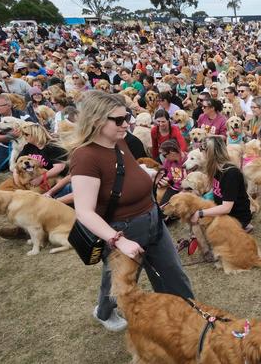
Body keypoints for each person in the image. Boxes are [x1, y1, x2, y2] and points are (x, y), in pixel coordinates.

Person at [66, 91, 194, 332]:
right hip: (120, 230)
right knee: (120, 282)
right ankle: (104, 312)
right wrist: (119, 241)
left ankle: (187, 317)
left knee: (173, 273)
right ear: (96, 121)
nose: (126, 123)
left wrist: (147, 177)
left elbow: (127, 169)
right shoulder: (84, 157)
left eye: (127, 117)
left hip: (153, 219)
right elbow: (84, 211)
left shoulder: (120, 139)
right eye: (118, 120)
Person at [190, 136, 252, 230]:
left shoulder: (231, 173)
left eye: (201, 149)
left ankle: (244, 228)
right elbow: (215, 191)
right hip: (222, 211)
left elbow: (226, 208)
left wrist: (201, 213)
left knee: (208, 231)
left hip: (236, 217)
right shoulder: (215, 169)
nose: (200, 152)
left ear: (209, 153)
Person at [0, 93, 36, 172]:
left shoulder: (22, 115)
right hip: (5, 144)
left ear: (9, 105)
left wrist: (22, 133)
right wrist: (10, 136)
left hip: (27, 143)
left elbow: (36, 129)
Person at [155, 140, 186, 206]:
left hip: (186, 190)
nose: (163, 158)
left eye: (164, 155)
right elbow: (162, 172)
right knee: (162, 207)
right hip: (173, 188)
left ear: (172, 152)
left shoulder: (188, 160)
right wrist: (162, 179)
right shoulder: (168, 161)